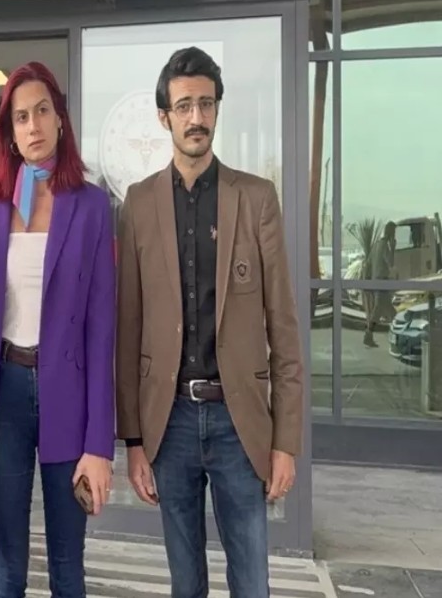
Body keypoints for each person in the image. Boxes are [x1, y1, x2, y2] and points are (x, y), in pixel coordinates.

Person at [115, 47, 304, 598]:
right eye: (184, 106)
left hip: (238, 423)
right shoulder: (138, 204)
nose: (196, 117)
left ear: (217, 109)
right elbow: (129, 329)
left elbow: (283, 326)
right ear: (164, 117)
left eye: (205, 104)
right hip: (169, 422)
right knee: (186, 584)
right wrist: (133, 441)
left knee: (252, 583)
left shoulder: (256, 199)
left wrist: (286, 441)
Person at [0, 61, 116, 598]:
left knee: (67, 567)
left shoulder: (93, 207)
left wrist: (99, 444)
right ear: (9, 132)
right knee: (7, 562)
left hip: (67, 397)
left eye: (42, 111)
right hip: (3, 391)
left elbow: (102, 329)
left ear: (60, 119)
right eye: (21, 117)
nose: (33, 126)